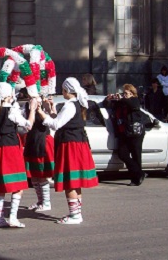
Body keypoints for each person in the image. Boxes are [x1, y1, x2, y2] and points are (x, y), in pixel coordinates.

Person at [35, 77, 98, 225]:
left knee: (70, 181)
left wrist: (40, 112)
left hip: (71, 145)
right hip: (77, 144)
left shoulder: (70, 105)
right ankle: (76, 213)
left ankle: (75, 215)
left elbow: (56, 125)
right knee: (75, 182)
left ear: (66, 90)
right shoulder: (77, 104)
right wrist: (52, 110)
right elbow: (63, 121)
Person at [0, 82, 33, 228]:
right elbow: (27, 125)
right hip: (10, 148)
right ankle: (13, 217)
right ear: (9, 94)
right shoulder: (11, 111)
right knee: (17, 184)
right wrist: (33, 110)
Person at [104, 85, 146, 186]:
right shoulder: (121, 103)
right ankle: (139, 173)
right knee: (122, 154)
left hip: (135, 133)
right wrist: (108, 98)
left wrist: (123, 98)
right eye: (124, 93)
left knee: (136, 155)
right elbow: (107, 105)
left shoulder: (135, 100)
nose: (124, 95)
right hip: (123, 133)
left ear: (132, 93)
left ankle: (136, 179)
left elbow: (133, 105)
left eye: (127, 93)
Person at [23, 96, 54, 211]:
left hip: (43, 141)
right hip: (32, 140)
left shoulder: (45, 105)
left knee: (42, 174)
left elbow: (53, 120)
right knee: (34, 176)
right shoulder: (26, 106)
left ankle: (46, 203)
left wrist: (47, 108)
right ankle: (40, 201)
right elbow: (25, 124)